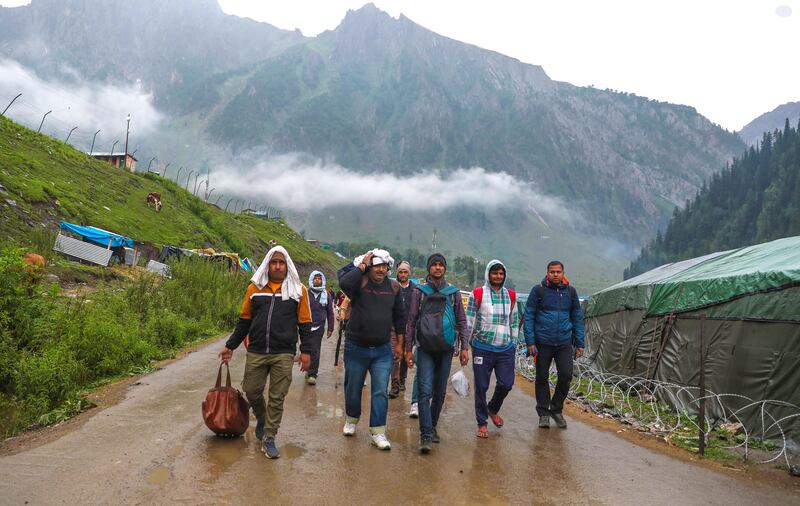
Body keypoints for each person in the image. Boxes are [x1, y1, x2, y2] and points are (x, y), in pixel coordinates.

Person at [218, 246, 313, 459]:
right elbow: (244, 320)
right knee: (251, 390)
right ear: (268, 264)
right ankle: (262, 417)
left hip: (283, 353)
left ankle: (269, 437)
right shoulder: (255, 288)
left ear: (287, 265)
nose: (278, 266)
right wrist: (230, 345)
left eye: (281, 263)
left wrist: (306, 352)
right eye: (274, 262)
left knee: (277, 397)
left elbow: (305, 324)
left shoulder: (299, 291)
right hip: (257, 350)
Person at [338, 249, 406, 450]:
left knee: (379, 391)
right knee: (353, 387)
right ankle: (351, 419)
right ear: (369, 266)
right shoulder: (360, 282)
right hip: (356, 347)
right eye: (377, 265)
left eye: (385, 266)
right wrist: (361, 265)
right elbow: (343, 283)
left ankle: (378, 431)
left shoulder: (393, 288)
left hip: (382, 350)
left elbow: (400, 318)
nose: (381, 269)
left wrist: (401, 344)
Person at [404, 253, 469, 454]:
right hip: (424, 348)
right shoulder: (419, 292)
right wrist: (408, 350)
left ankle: (432, 427)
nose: (438, 268)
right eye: (434, 265)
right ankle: (425, 435)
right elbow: (411, 321)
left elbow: (462, 321)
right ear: (429, 269)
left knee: (440, 391)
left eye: (441, 265)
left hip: (447, 349)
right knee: (424, 391)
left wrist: (464, 346)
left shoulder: (453, 293)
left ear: (445, 269)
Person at [523, 260, 585, 429]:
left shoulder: (570, 293)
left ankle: (556, 409)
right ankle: (543, 413)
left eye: (558, 271)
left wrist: (580, 342)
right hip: (542, 343)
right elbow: (528, 316)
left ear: (563, 273)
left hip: (564, 342)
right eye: (552, 271)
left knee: (566, 375)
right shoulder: (538, 291)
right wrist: (530, 341)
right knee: (542, 377)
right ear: (547, 273)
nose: (555, 274)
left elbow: (577, 318)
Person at [466, 260, 520, 438]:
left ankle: (493, 408)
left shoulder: (511, 296)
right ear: (488, 274)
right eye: (495, 273)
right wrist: (465, 344)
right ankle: (482, 422)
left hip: (505, 349)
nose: (498, 276)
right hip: (482, 347)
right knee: (481, 386)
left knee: (506, 383)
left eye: (501, 273)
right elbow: (469, 320)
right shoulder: (478, 294)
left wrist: (513, 342)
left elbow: (514, 321)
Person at [389, 261, 415, 399]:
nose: (403, 274)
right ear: (397, 273)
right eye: (400, 272)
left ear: (409, 273)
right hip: (393, 327)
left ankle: (402, 380)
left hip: (409, 328)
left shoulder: (415, 289)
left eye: (405, 272)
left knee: (406, 355)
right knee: (395, 355)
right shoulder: (392, 286)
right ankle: (394, 384)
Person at [306, 270, 335, 385]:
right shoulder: (306, 293)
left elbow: (330, 313)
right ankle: (308, 368)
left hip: (319, 326)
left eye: (319, 278)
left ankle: (313, 374)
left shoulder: (326, 294)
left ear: (322, 280)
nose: (317, 280)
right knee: (306, 348)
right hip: (306, 326)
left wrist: (330, 328)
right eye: (315, 278)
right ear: (312, 279)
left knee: (315, 349)